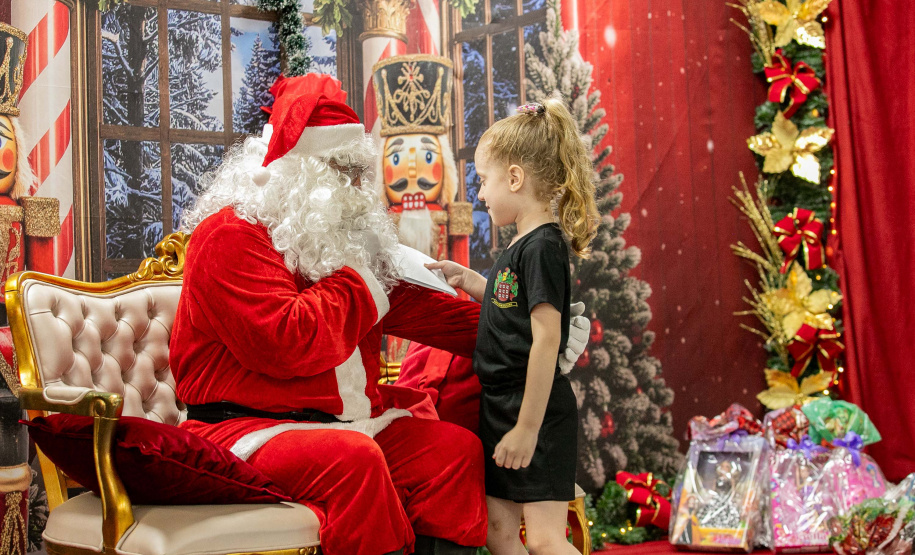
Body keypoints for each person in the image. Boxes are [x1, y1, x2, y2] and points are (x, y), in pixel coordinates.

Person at [171, 74, 486, 555]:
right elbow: (286, 340)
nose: (362, 190)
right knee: (353, 461)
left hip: (338, 425)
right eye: (346, 171)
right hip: (242, 429)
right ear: (300, 171)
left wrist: (524, 326)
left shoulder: (335, 248)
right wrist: (360, 274)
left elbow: (435, 317)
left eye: (363, 172)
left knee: (452, 453)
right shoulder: (230, 236)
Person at [426, 96, 599, 555]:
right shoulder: (520, 244)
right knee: (498, 533)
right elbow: (509, 303)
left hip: (534, 411)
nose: (480, 194)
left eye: (484, 181)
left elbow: (546, 340)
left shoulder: (543, 246)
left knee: (543, 540)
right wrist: (469, 280)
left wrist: (526, 428)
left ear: (516, 178)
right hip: (501, 405)